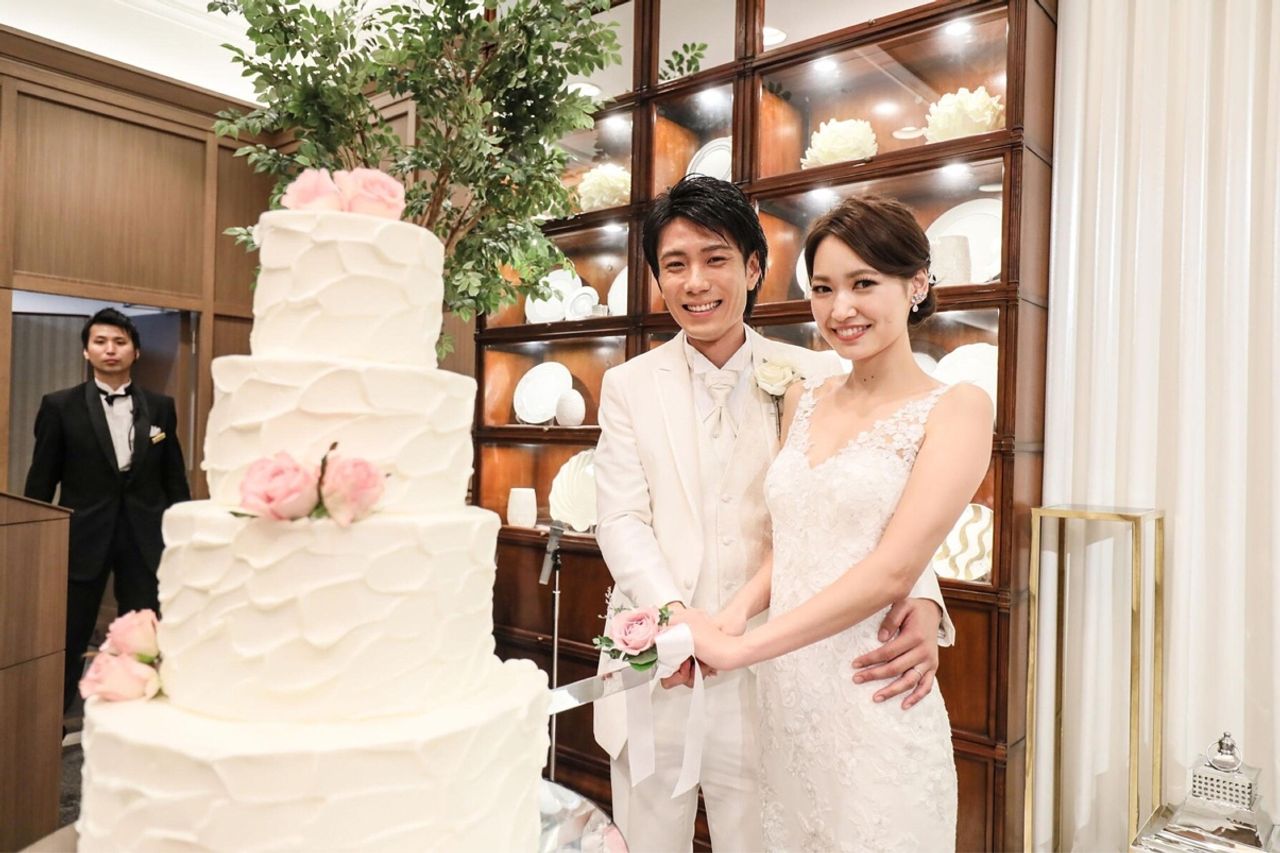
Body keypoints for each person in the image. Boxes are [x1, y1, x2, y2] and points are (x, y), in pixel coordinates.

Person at [592, 176, 955, 853]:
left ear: (754, 267)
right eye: (675, 264)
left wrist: (925, 600)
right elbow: (619, 519)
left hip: (780, 671)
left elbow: (869, 503)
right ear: (657, 279)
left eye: (716, 258)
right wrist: (676, 620)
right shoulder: (626, 385)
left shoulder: (815, 376)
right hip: (657, 670)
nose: (696, 282)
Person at [671, 193, 994, 850]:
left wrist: (741, 647)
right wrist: (729, 618)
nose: (840, 308)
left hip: (875, 694)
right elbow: (793, 542)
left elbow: (895, 567)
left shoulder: (958, 407)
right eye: (823, 288)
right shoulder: (805, 398)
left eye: (863, 283)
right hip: (790, 704)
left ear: (916, 284)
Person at [24, 307, 191, 715]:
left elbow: (174, 478)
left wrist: (182, 536)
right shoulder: (59, 406)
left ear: (135, 351)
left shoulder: (161, 407)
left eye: (119, 342)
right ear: (87, 351)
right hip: (82, 536)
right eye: (100, 342)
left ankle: (140, 715)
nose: (110, 349)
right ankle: (50, 722)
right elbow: (41, 481)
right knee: (68, 634)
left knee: (144, 633)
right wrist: (34, 541)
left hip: (144, 537)